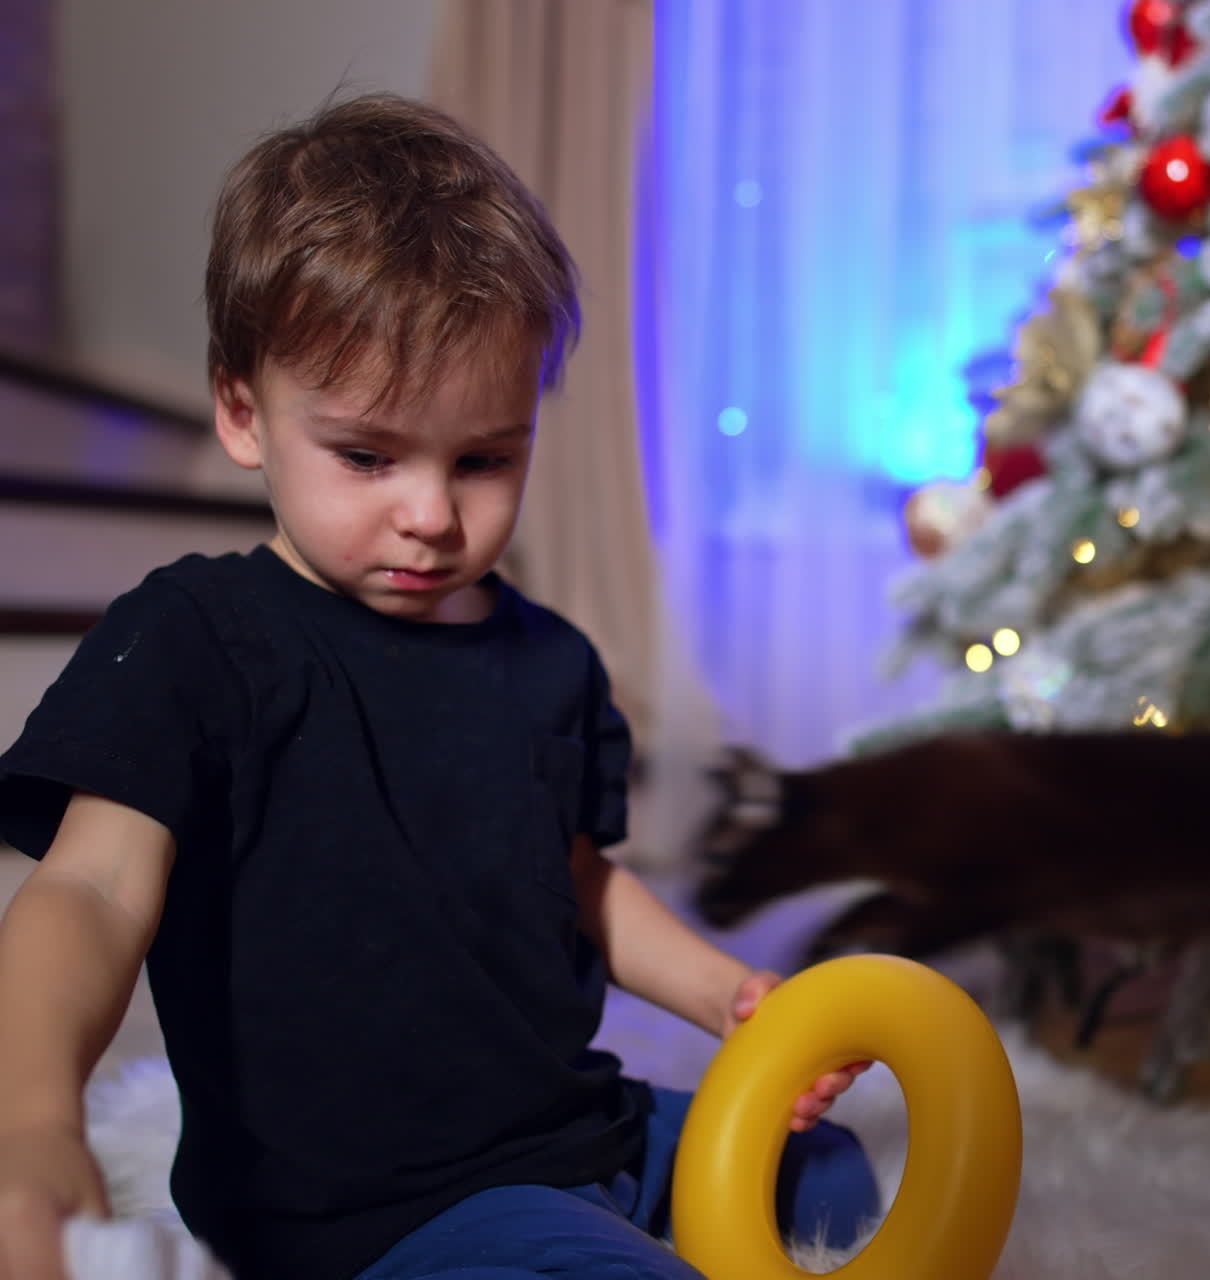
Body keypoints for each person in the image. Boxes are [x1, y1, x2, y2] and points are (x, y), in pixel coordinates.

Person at [0, 94, 879, 1280]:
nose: (429, 512)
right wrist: (33, 1118)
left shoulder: (550, 658)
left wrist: (734, 994)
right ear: (242, 411)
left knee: (829, 1173)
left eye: (482, 458)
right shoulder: (196, 637)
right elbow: (93, 891)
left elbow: (579, 884)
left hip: (580, 1128)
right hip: (381, 1204)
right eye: (366, 455)